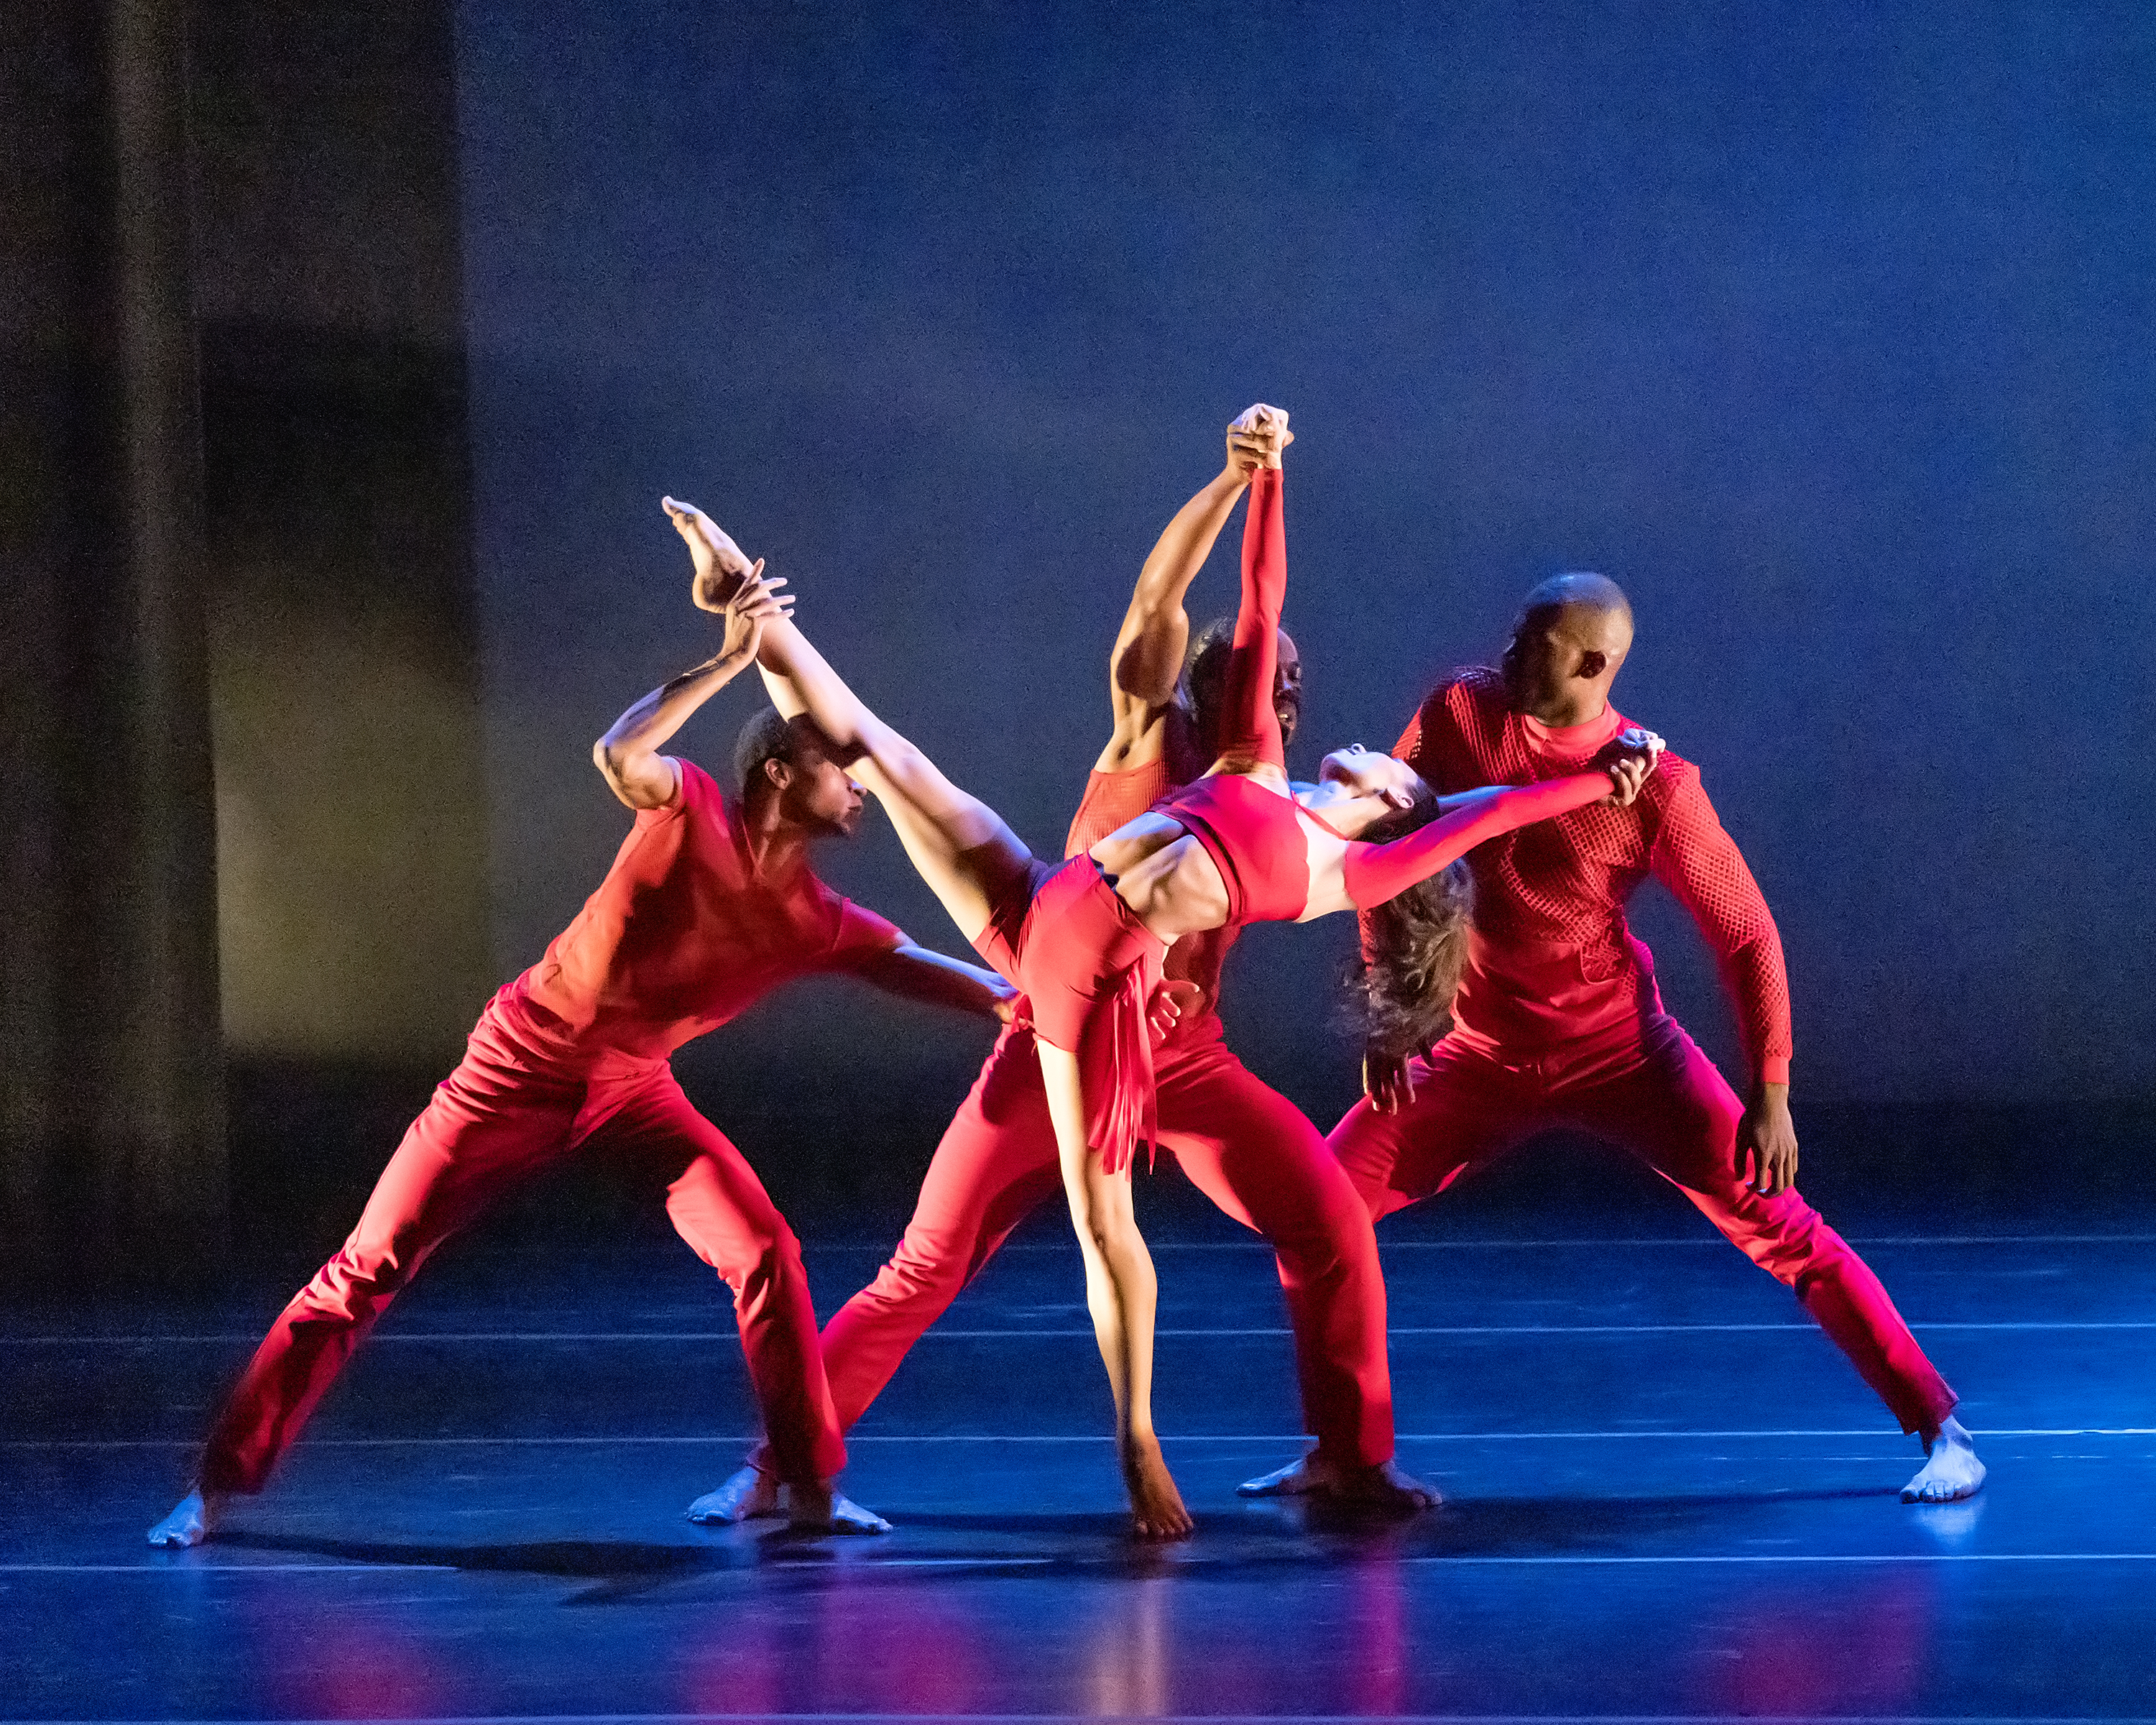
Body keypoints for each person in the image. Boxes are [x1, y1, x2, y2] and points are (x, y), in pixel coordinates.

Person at [663, 406, 1659, 1537]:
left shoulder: (1300, 812)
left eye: (1294, 685)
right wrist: (1241, 479)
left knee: (1328, 1222)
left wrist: (1604, 779)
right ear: (1214, 683)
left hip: (1178, 1051)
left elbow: (1464, 821)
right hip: (1057, 1004)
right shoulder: (1157, 728)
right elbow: (1170, 603)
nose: (1286, 698)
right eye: (1263, 677)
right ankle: (783, 1465)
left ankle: (1350, 1457)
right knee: (925, 1263)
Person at [147, 569, 1014, 1547]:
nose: (860, 784)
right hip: (513, 1071)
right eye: (838, 768)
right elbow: (618, 749)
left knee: (765, 1251)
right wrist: (729, 660)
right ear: (777, 771)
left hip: (634, 1093)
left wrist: (1036, 1000)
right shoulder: (688, 809)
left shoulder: (814, 920)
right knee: (368, 1264)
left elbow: (913, 964)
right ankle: (217, 1487)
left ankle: (807, 1488)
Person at [1314, 572, 1986, 1505]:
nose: (1507, 652)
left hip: (1619, 1054)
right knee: (1318, 1207)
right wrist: (1397, 1015)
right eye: (1515, 632)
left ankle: (1941, 1431)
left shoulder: (1655, 786)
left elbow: (1745, 932)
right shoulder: (1461, 714)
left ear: (1592, 662)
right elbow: (1378, 849)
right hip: (1473, 1053)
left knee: (1784, 1229)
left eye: (1534, 641)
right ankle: (1346, 1459)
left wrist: (1773, 1092)